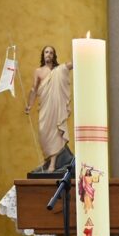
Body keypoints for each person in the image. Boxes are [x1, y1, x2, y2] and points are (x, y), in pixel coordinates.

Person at [24, 45, 74, 173]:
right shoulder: (38, 71)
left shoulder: (58, 70)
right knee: (43, 132)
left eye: (51, 53)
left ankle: (52, 164)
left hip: (55, 107)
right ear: (43, 54)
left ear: (54, 55)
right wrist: (29, 105)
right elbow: (34, 89)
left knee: (55, 132)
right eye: (46, 52)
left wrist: (81, 55)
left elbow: (68, 65)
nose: (49, 54)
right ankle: (48, 160)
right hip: (45, 107)